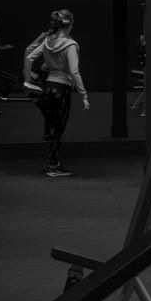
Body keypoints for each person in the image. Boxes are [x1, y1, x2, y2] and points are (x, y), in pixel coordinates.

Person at [26, 9, 91, 177]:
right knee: (59, 129)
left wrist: (29, 79)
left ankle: (53, 162)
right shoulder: (71, 45)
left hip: (47, 87)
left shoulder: (47, 41)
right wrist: (84, 95)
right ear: (70, 24)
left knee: (53, 126)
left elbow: (29, 57)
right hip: (61, 89)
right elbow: (74, 72)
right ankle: (53, 165)